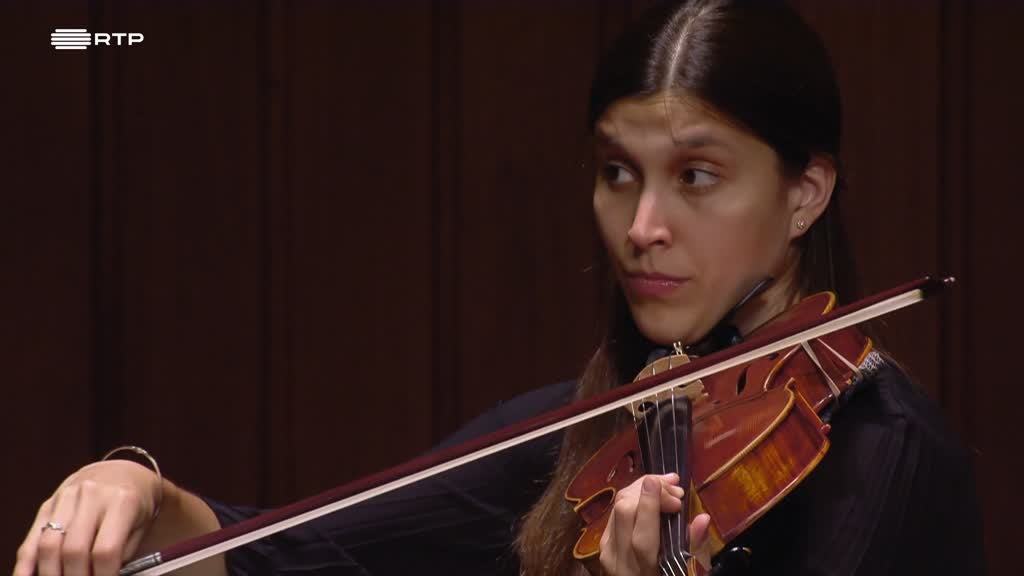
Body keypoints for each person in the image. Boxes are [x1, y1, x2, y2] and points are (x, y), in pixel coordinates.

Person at [14, 1, 985, 575]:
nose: (642, 223)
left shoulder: (882, 454)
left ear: (803, 193)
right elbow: (281, 555)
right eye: (617, 173)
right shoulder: (589, 430)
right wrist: (138, 486)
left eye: (695, 176)